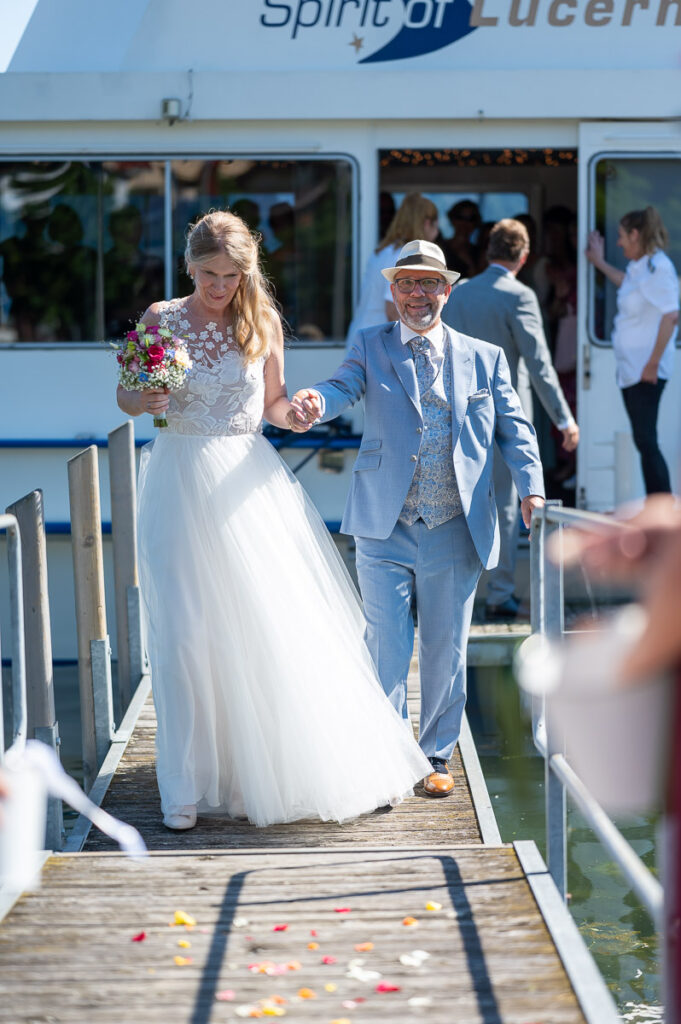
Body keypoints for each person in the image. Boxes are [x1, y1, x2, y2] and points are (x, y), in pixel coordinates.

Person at [116, 211, 430, 831]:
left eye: (231, 275)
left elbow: (274, 407)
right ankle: (182, 786)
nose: (219, 286)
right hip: (177, 478)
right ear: (189, 266)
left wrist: (302, 411)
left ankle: (252, 773)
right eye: (208, 274)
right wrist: (144, 398)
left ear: (246, 272)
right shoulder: (162, 318)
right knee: (183, 634)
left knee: (263, 623)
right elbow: (127, 394)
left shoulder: (261, 321)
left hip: (245, 484)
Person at [290, 240, 545, 797]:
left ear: (447, 292)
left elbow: (515, 427)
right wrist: (313, 399)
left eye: (429, 283)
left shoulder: (484, 357)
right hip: (384, 522)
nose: (417, 294)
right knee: (385, 643)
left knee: (444, 647)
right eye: (407, 283)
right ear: (393, 292)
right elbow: (341, 387)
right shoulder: (370, 344)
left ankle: (434, 755)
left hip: (456, 524)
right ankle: (383, 755)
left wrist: (532, 489)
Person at [443, 219, 579, 620]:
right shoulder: (519, 295)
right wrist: (564, 418)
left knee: (456, 500)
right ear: (523, 256)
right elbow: (539, 364)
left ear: (488, 252)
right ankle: (501, 596)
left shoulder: (460, 292)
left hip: (454, 408)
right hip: (503, 413)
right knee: (505, 504)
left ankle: (454, 590)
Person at [586, 206, 679, 496]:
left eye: (622, 236)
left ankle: (663, 512)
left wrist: (652, 364)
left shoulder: (658, 267)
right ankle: (658, 509)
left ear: (636, 235)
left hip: (645, 373)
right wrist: (599, 263)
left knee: (646, 441)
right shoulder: (641, 268)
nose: (619, 242)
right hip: (632, 372)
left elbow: (671, 315)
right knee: (644, 441)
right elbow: (627, 284)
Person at [345, 193, 439, 348]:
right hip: (377, 346)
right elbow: (392, 311)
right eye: (436, 225)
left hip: (363, 340)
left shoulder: (384, 251)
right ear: (428, 223)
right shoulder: (404, 255)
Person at [442, 200, 482, 280]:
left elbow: (480, 283)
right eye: (460, 217)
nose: (464, 223)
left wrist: (469, 263)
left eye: (471, 219)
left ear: (476, 223)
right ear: (452, 219)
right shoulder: (439, 248)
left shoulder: (480, 253)